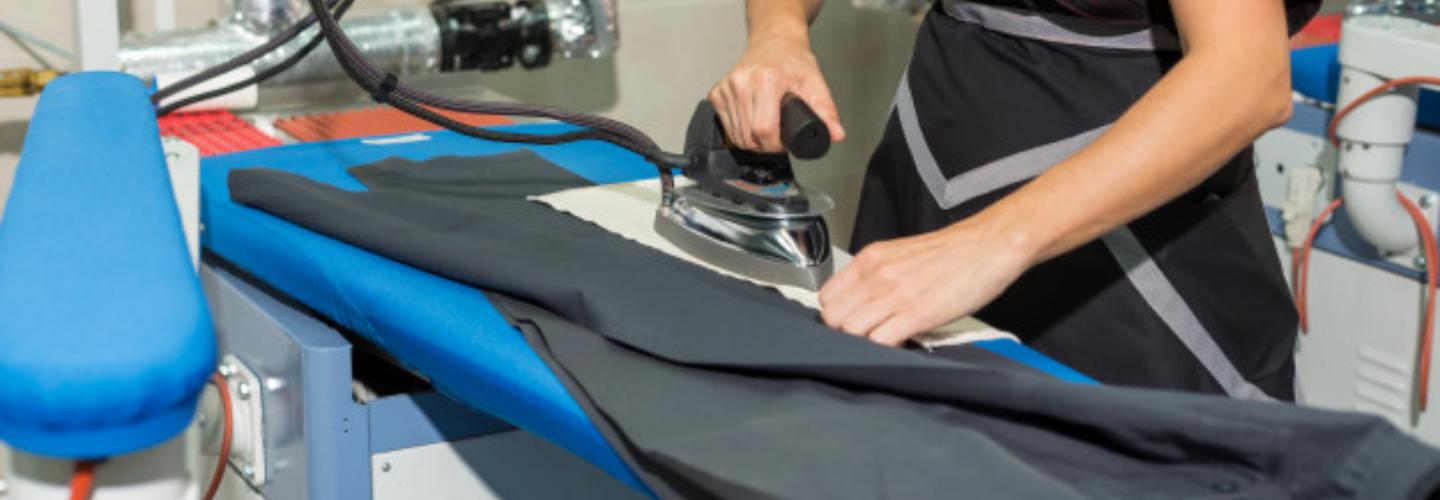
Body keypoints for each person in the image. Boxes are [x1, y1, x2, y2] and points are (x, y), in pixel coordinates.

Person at [708, 0, 1321, 400]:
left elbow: (1246, 76)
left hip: (1130, 236)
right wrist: (778, 34)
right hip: (933, 150)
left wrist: (989, 244)